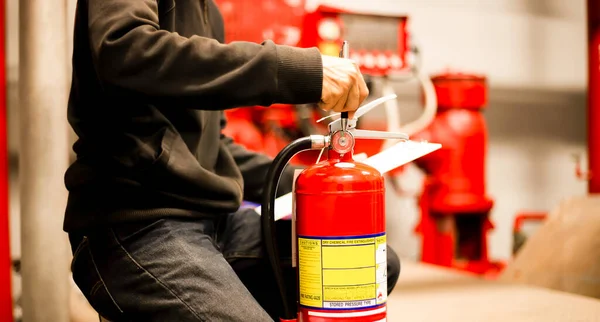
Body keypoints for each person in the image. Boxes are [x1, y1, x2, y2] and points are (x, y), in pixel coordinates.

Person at [65, 0, 401, 321]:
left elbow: (212, 148)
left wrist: (306, 180)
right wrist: (297, 71)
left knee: (367, 268)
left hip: (213, 221)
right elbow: (124, 49)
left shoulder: (208, 11)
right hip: (135, 222)